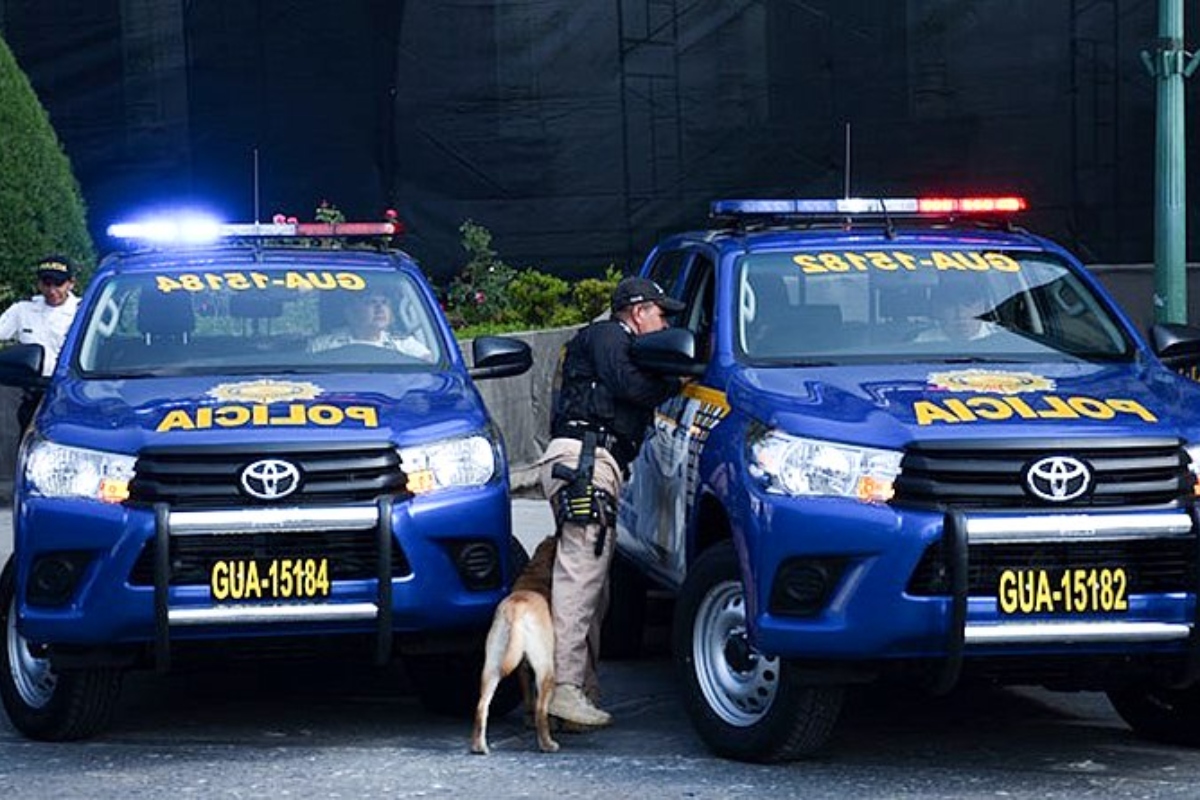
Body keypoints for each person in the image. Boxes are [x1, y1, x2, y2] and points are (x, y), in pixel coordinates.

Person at [539, 276, 683, 730]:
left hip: (594, 461)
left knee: (596, 588)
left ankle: (579, 694)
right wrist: (676, 380)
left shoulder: (615, 340)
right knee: (580, 574)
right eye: (661, 314)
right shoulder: (606, 335)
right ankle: (562, 687)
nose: (663, 324)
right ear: (638, 311)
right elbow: (632, 388)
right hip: (585, 461)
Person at [0, 255, 81, 428]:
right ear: (39, 284)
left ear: (71, 283)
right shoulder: (23, 310)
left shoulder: (82, 313)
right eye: (46, 284)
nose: (52, 291)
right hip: (27, 389)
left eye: (58, 284)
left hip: (68, 389)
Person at [308, 289, 433, 360]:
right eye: (371, 302)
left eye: (384, 302)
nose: (380, 308)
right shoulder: (324, 345)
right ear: (350, 312)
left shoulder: (403, 344)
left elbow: (432, 367)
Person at [913, 282, 1000, 342]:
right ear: (937, 310)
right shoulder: (921, 343)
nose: (961, 314)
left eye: (968, 305)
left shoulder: (1000, 341)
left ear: (984, 307)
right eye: (951, 306)